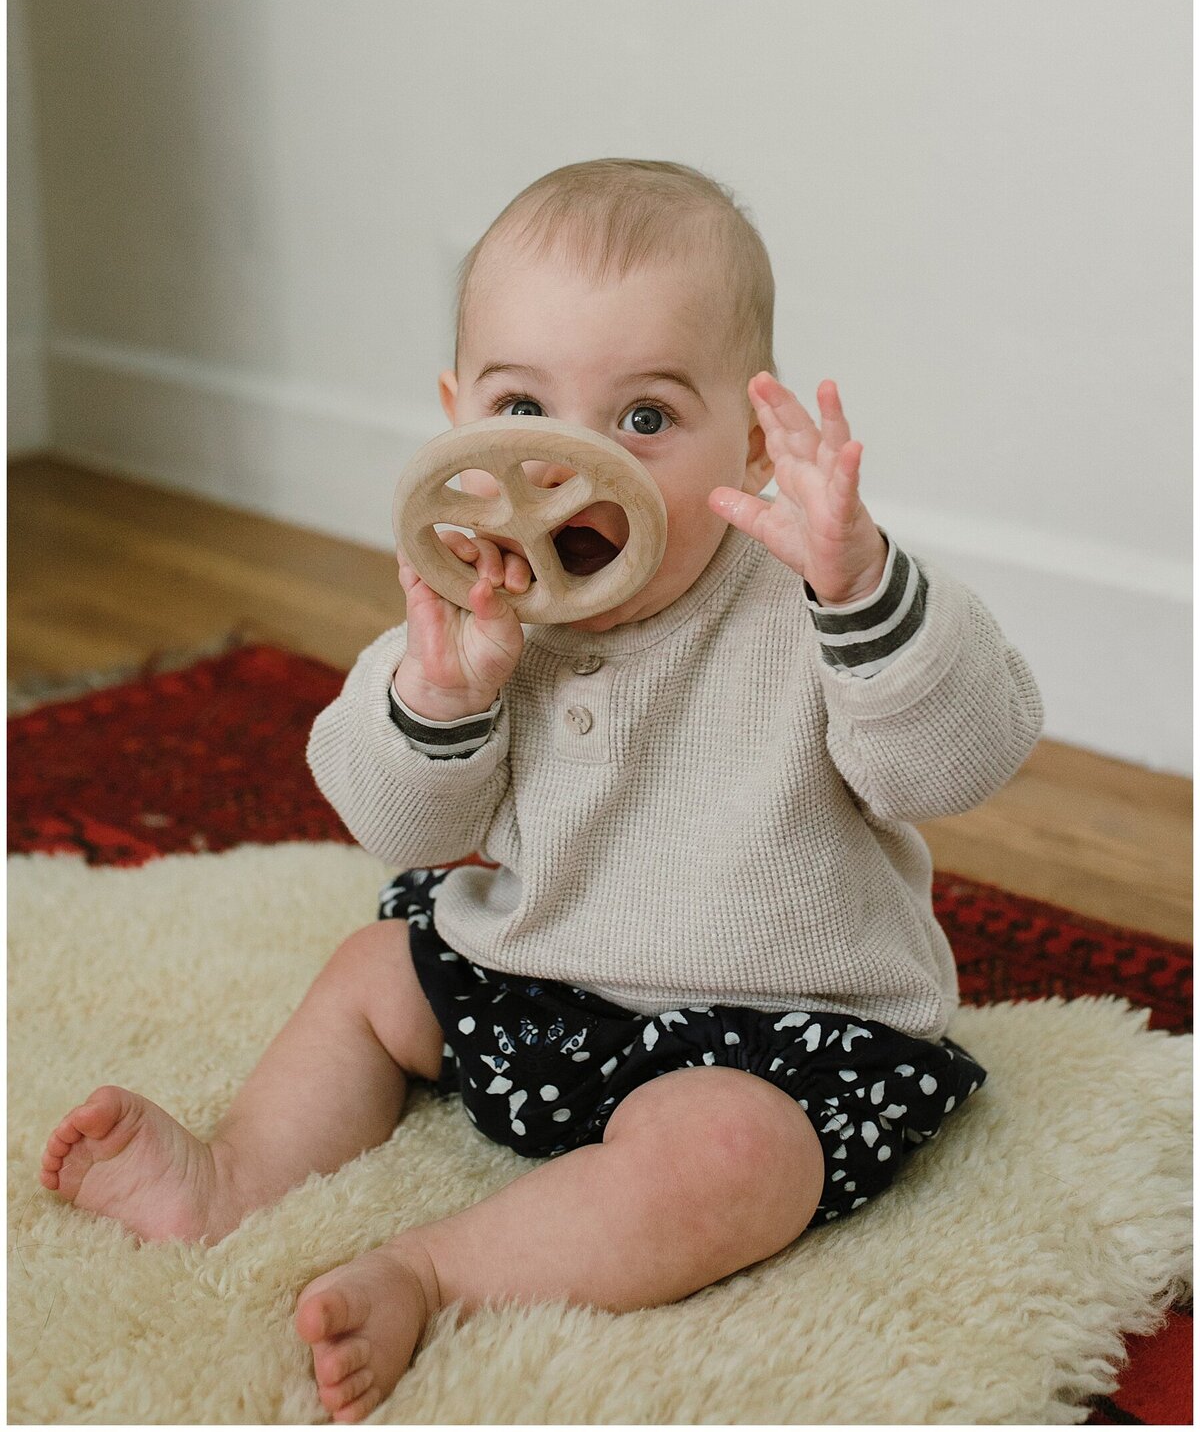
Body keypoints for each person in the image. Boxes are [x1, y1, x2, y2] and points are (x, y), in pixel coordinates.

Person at [41, 159, 1043, 1423]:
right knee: (374, 968)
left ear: (747, 430)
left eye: (643, 420)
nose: (572, 466)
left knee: (729, 1159)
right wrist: (443, 699)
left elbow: (957, 759)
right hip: (532, 985)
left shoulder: (807, 598)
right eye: (525, 406)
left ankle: (437, 1266)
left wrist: (865, 593)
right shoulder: (470, 610)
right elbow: (400, 823)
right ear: (462, 423)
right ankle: (234, 1174)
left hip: (769, 1031)